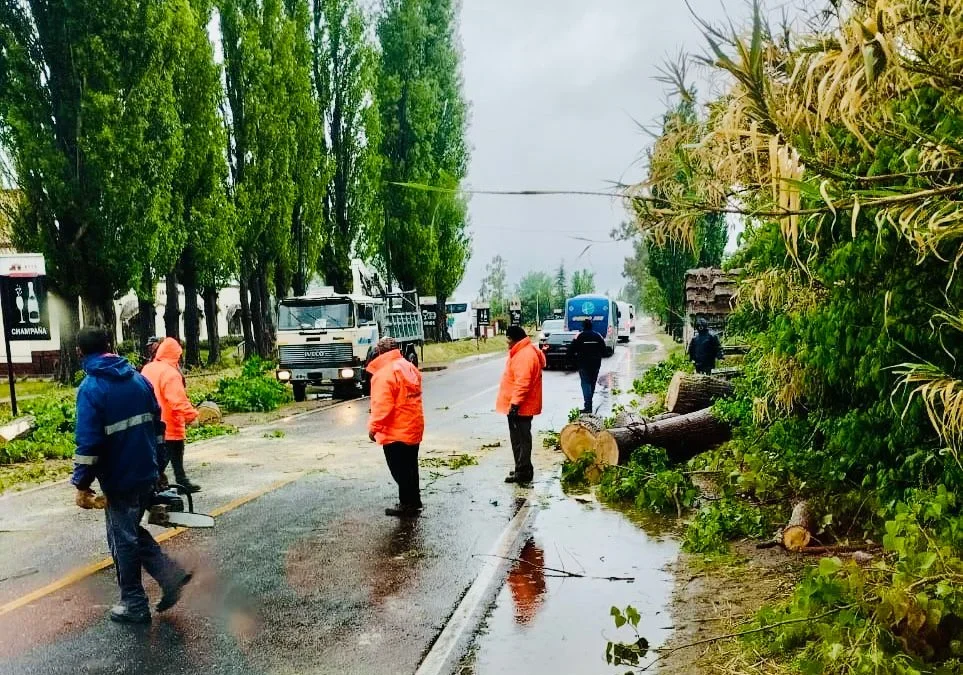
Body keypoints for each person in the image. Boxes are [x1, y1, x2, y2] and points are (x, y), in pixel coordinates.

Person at [71, 326, 191, 624]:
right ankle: (169, 574)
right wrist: (159, 468)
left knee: (122, 538)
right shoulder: (138, 380)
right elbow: (159, 428)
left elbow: (88, 444)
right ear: (111, 345)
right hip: (146, 471)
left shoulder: (91, 389)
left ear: (79, 353)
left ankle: (134, 603)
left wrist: (81, 484)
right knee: (126, 532)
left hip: (120, 478)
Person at [367, 336, 425, 517]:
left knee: (399, 469)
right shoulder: (409, 366)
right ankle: (413, 501)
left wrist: (373, 427)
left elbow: (382, 405)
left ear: (379, 352)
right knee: (410, 467)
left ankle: (407, 505)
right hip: (413, 425)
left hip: (395, 430)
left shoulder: (384, 374)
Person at [141, 337, 201, 493]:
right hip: (169, 422)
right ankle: (159, 486)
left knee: (157, 456)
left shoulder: (148, 368)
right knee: (168, 455)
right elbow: (177, 400)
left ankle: (180, 481)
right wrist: (192, 415)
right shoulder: (171, 373)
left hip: (149, 422)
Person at [496, 325, 546, 485]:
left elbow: (522, 383)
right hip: (521, 406)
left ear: (514, 339)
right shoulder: (524, 351)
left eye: (508, 339)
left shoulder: (524, 355)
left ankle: (523, 471)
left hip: (521, 407)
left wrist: (515, 405)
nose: (507, 343)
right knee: (520, 438)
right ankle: (521, 466)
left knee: (521, 440)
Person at [569, 319, 606, 413]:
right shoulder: (597, 336)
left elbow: (572, 349)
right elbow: (604, 349)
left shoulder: (580, 336)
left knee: (585, 383)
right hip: (596, 364)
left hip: (583, 364)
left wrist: (573, 360)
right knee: (592, 383)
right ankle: (589, 404)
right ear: (591, 326)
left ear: (583, 326)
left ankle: (588, 406)